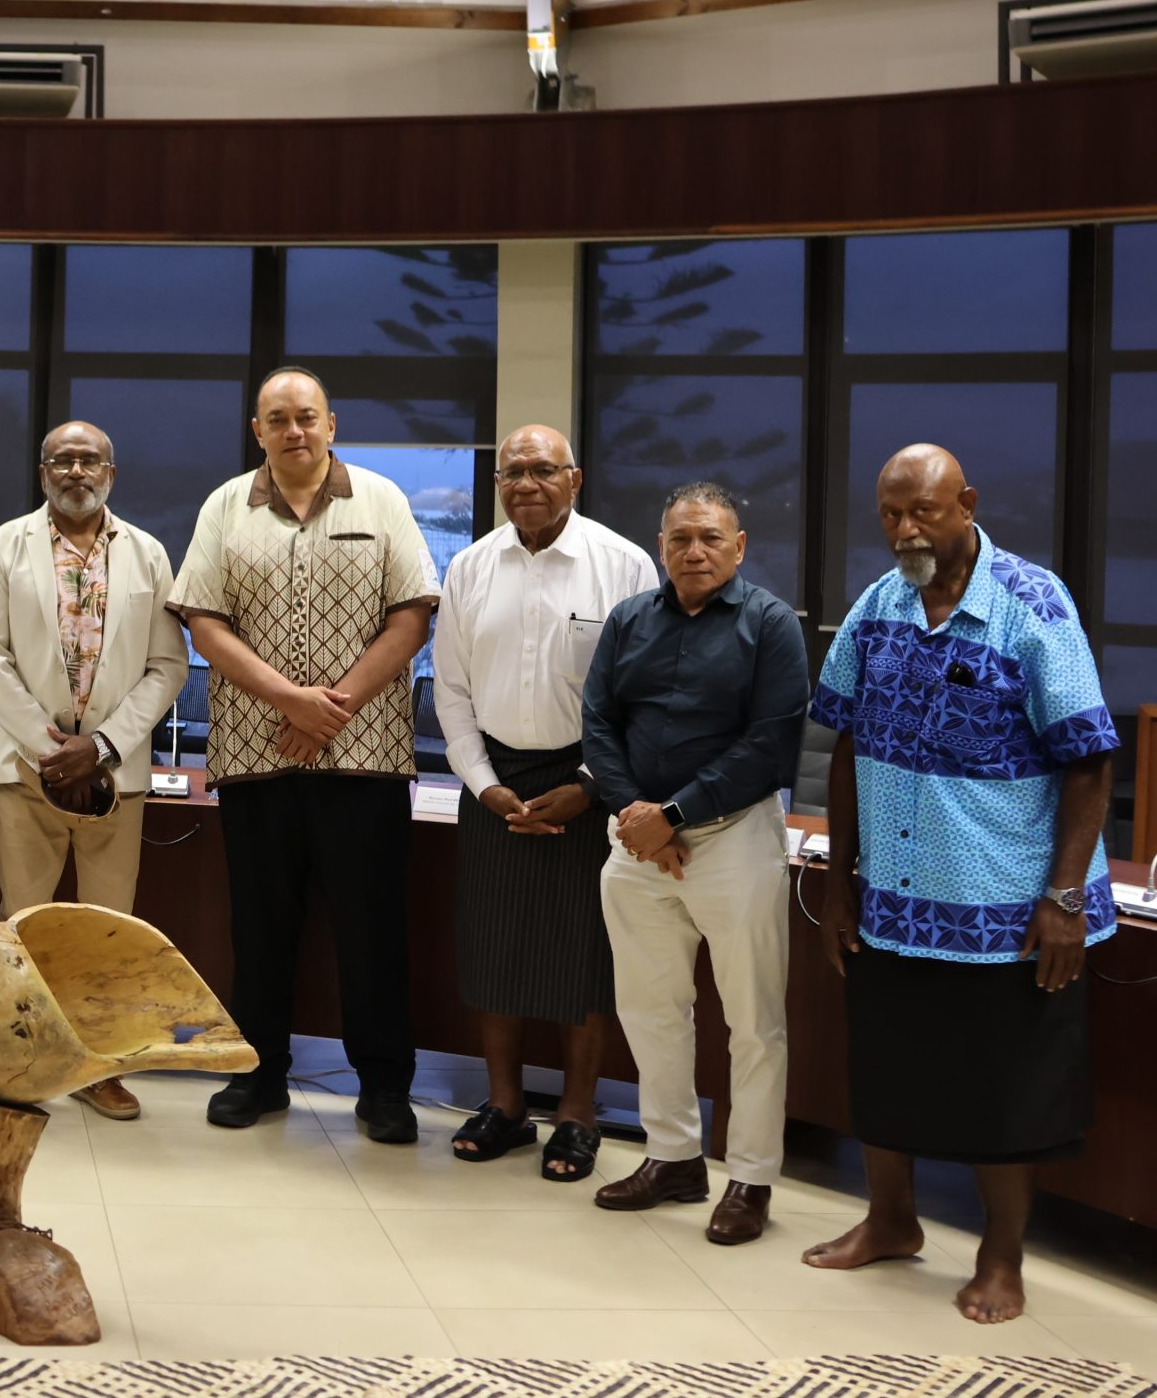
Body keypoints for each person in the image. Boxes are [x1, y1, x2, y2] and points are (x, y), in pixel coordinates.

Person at [803, 445, 1119, 1324]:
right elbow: (846, 745)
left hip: (1005, 912)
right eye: (891, 514)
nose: (907, 530)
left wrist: (1062, 898)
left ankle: (1001, 1257)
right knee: (888, 1073)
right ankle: (891, 1220)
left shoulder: (1032, 605)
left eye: (924, 512)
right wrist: (838, 884)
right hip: (894, 906)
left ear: (967, 503)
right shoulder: (877, 605)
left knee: (1004, 1095)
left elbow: (1090, 760)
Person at [167, 367, 440, 1142]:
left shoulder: (381, 499)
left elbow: (413, 615)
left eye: (307, 416)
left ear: (332, 423)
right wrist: (292, 701)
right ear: (258, 430)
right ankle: (258, 1073)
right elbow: (205, 623)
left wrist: (333, 707)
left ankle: (385, 1088)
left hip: (367, 761)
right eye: (278, 418)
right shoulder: (226, 505)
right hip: (258, 758)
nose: (294, 430)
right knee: (259, 931)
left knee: (373, 933)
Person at [580, 480, 807, 1246]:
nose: (695, 550)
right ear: (661, 544)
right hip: (636, 840)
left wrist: (671, 815)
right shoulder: (629, 620)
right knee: (648, 1008)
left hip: (734, 838)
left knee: (752, 1020)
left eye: (711, 537)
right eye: (680, 538)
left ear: (739, 546)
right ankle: (673, 1156)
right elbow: (599, 722)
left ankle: (750, 1177)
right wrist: (635, 815)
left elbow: (771, 744)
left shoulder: (772, 625)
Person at [431, 425, 657, 1181]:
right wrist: (484, 784)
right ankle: (503, 1106)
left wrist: (591, 785)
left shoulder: (622, 565)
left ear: (576, 477)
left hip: (589, 779)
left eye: (542, 469)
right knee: (494, 946)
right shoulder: (468, 566)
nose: (525, 483)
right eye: (511, 471)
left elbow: (639, 695)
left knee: (583, 955)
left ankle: (578, 1112)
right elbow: (451, 691)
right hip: (493, 775)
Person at [0, 419, 188, 1121]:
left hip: (113, 775)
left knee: (108, 929)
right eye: (61, 459)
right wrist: (50, 746)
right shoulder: (6, 547)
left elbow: (167, 665)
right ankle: (19, 1058)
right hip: (30, 770)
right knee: (23, 923)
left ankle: (100, 1068)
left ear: (111, 473)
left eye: (88, 459)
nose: (75, 470)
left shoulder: (149, 554)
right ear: (42, 473)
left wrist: (102, 747)